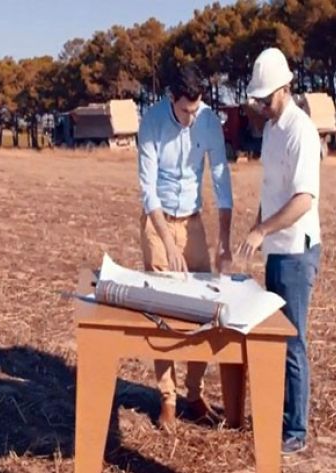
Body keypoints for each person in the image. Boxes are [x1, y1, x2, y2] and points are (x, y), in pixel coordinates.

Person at [137, 63, 234, 429]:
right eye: (184, 111)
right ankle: (166, 398)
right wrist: (165, 240)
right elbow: (147, 188)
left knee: (202, 310)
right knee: (161, 314)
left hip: (193, 221)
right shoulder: (151, 123)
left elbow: (221, 177)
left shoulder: (207, 121)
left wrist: (223, 240)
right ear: (170, 98)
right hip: (158, 223)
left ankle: (193, 394)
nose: (191, 118)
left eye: (196, 110)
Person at [239, 47, 321, 455]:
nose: (263, 107)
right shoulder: (271, 130)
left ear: (286, 89)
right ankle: (281, 415)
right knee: (274, 338)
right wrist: (258, 228)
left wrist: (262, 229)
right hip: (275, 248)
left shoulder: (300, 131)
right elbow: (271, 192)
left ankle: (296, 430)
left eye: (267, 99)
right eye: (259, 100)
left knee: (293, 341)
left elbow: (303, 199)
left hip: (296, 252)